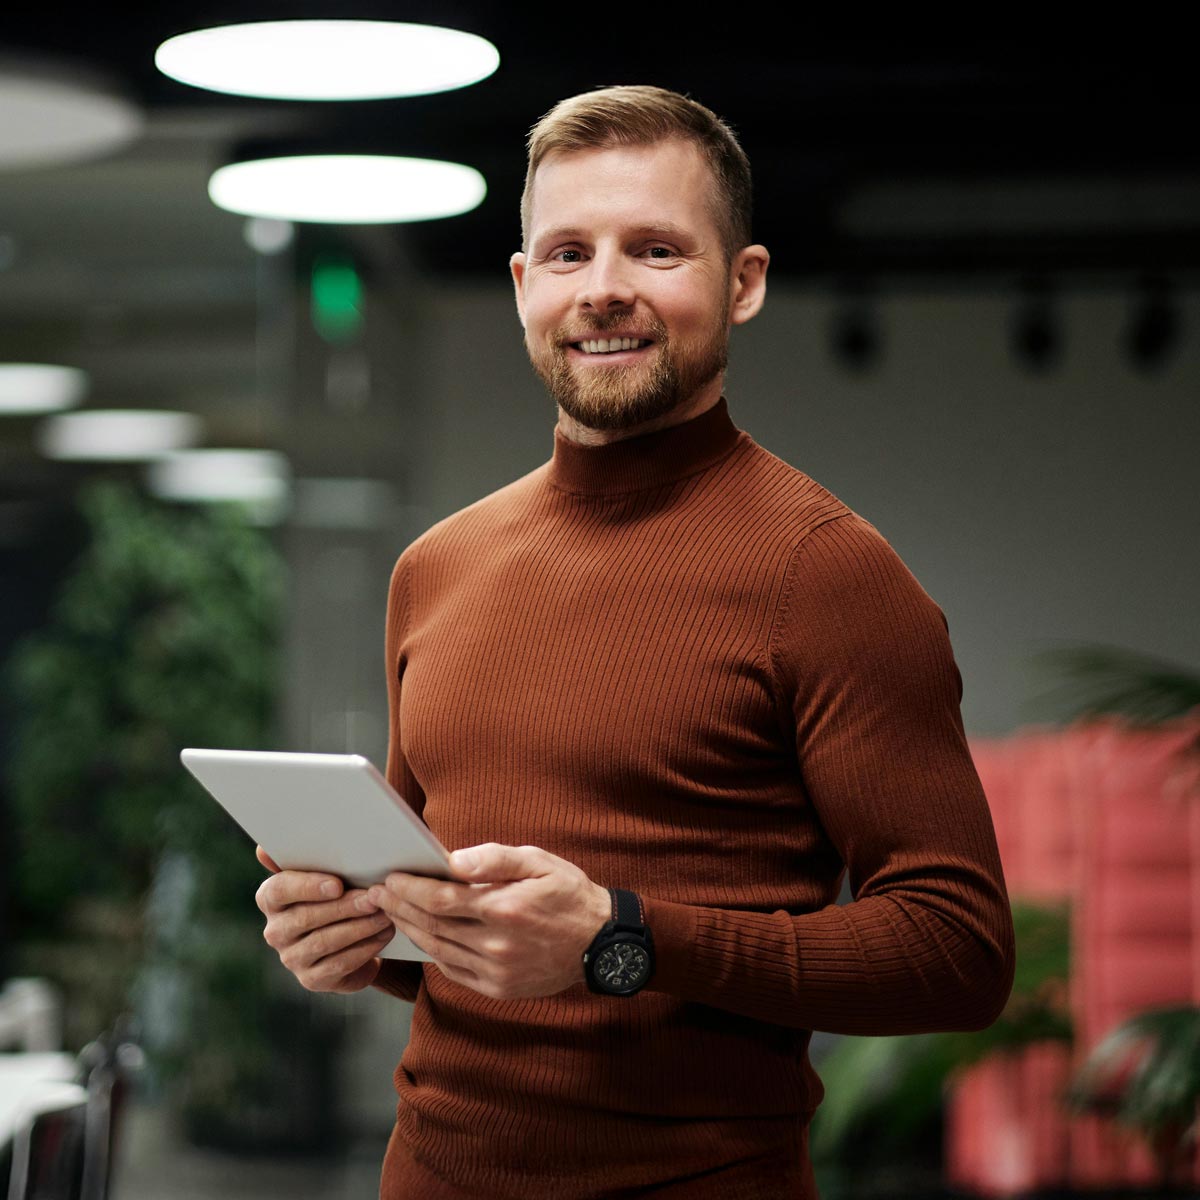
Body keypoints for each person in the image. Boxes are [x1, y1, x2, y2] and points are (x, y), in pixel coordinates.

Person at [255, 84, 1016, 1198]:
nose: (603, 289)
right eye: (567, 253)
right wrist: (364, 936)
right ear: (524, 288)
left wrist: (623, 937)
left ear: (743, 282)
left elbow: (959, 953)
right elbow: (473, 947)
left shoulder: (828, 574)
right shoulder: (436, 568)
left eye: (654, 249)